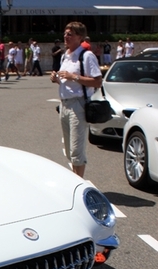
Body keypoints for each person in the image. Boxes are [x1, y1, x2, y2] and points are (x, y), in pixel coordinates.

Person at [50, 21, 102, 179]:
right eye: (65, 33)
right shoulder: (65, 56)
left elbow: (97, 81)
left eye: (70, 34)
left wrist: (74, 76)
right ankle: (75, 180)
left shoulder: (86, 56)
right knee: (68, 147)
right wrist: (57, 79)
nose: (66, 36)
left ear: (80, 37)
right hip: (64, 104)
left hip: (78, 105)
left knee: (76, 149)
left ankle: (78, 183)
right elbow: (68, 83)